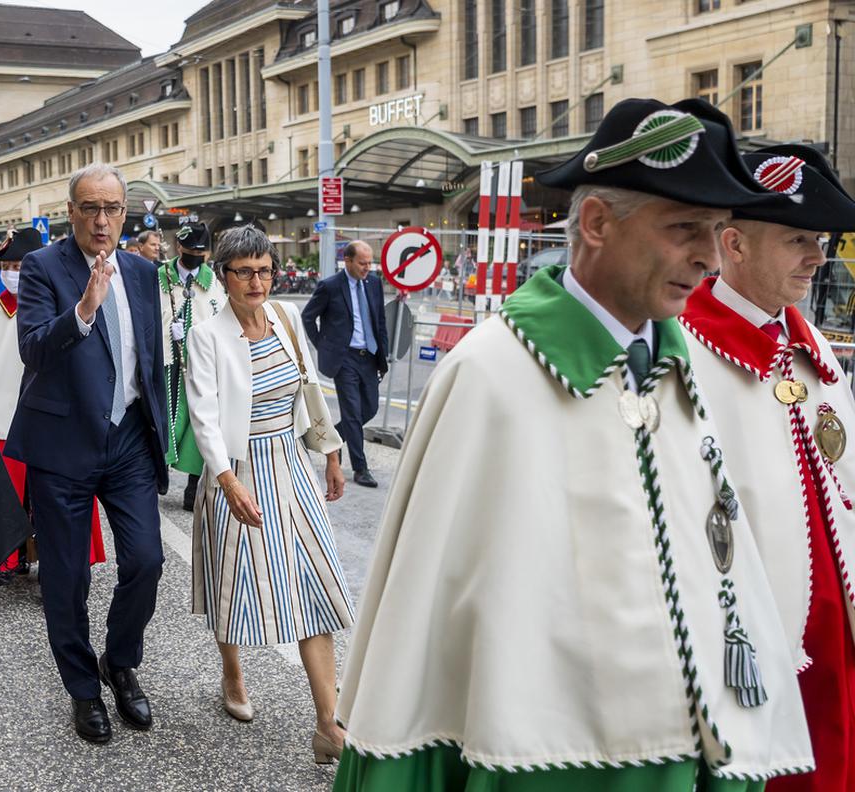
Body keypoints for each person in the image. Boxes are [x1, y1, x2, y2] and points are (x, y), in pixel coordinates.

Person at [333, 98, 812, 789]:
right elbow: (427, 628)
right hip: (533, 762)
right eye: (685, 229)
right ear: (595, 223)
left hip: (686, 756)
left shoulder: (681, 369)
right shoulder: (490, 374)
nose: (709, 257)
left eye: (717, 231)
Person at [681, 144, 855, 792]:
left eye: (818, 239)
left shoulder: (809, 348)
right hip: (762, 643)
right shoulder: (690, 353)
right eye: (797, 240)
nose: (817, 255)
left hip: (835, 636)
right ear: (736, 244)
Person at [6, 163, 168, 744]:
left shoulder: (144, 272)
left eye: (113, 209)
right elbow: (32, 349)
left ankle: (119, 662)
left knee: (147, 560)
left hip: (127, 441)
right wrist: (84, 310)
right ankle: (83, 688)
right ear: (70, 211)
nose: (102, 221)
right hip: (64, 444)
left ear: (127, 214)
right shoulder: (45, 267)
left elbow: (150, 360)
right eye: (91, 209)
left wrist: (162, 433)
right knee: (67, 578)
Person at [184, 225, 353, 759]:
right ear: (224, 275)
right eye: (244, 271)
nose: (256, 281)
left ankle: (328, 723)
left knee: (314, 585)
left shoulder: (285, 318)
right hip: (237, 468)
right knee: (232, 580)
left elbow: (310, 388)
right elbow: (204, 416)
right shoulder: (208, 334)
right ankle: (232, 672)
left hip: (291, 463)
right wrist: (227, 479)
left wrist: (330, 452)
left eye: (264, 269)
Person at [0, 227, 106, 572]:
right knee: (7, 496)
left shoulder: (64, 308)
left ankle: (59, 563)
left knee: (58, 498)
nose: (14, 274)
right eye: (8, 266)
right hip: (1, 418)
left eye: (20, 266)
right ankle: (6, 558)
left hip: (54, 415)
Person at [301, 241, 389, 487]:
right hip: (345, 358)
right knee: (351, 411)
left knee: (369, 408)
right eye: (362, 263)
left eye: (370, 263)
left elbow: (380, 321)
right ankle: (360, 469)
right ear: (347, 261)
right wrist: (323, 345)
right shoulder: (330, 286)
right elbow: (308, 317)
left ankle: (335, 441)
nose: (367, 268)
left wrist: (384, 357)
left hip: (369, 356)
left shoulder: (373, 284)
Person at [159, 221, 226, 511]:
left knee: (200, 422)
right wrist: (167, 331)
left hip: (200, 367)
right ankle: (156, 475)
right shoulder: (159, 277)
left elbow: (219, 320)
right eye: (191, 250)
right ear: (179, 248)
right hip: (165, 365)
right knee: (160, 420)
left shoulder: (214, 283)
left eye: (201, 251)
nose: (196, 256)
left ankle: (192, 485)